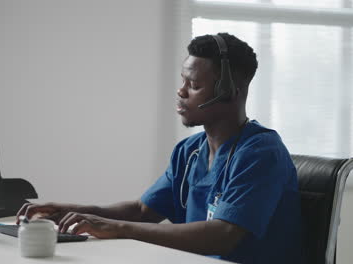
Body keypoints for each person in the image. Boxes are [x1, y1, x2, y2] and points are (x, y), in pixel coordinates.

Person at [16, 33, 303, 264]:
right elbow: (143, 211)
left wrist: (116, 229)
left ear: (231, 91)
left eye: (193, 84)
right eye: (182, 81)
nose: (181, 92)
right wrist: (68, 211)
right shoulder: (189, 151)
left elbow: (223, 235)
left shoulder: (260, 152)